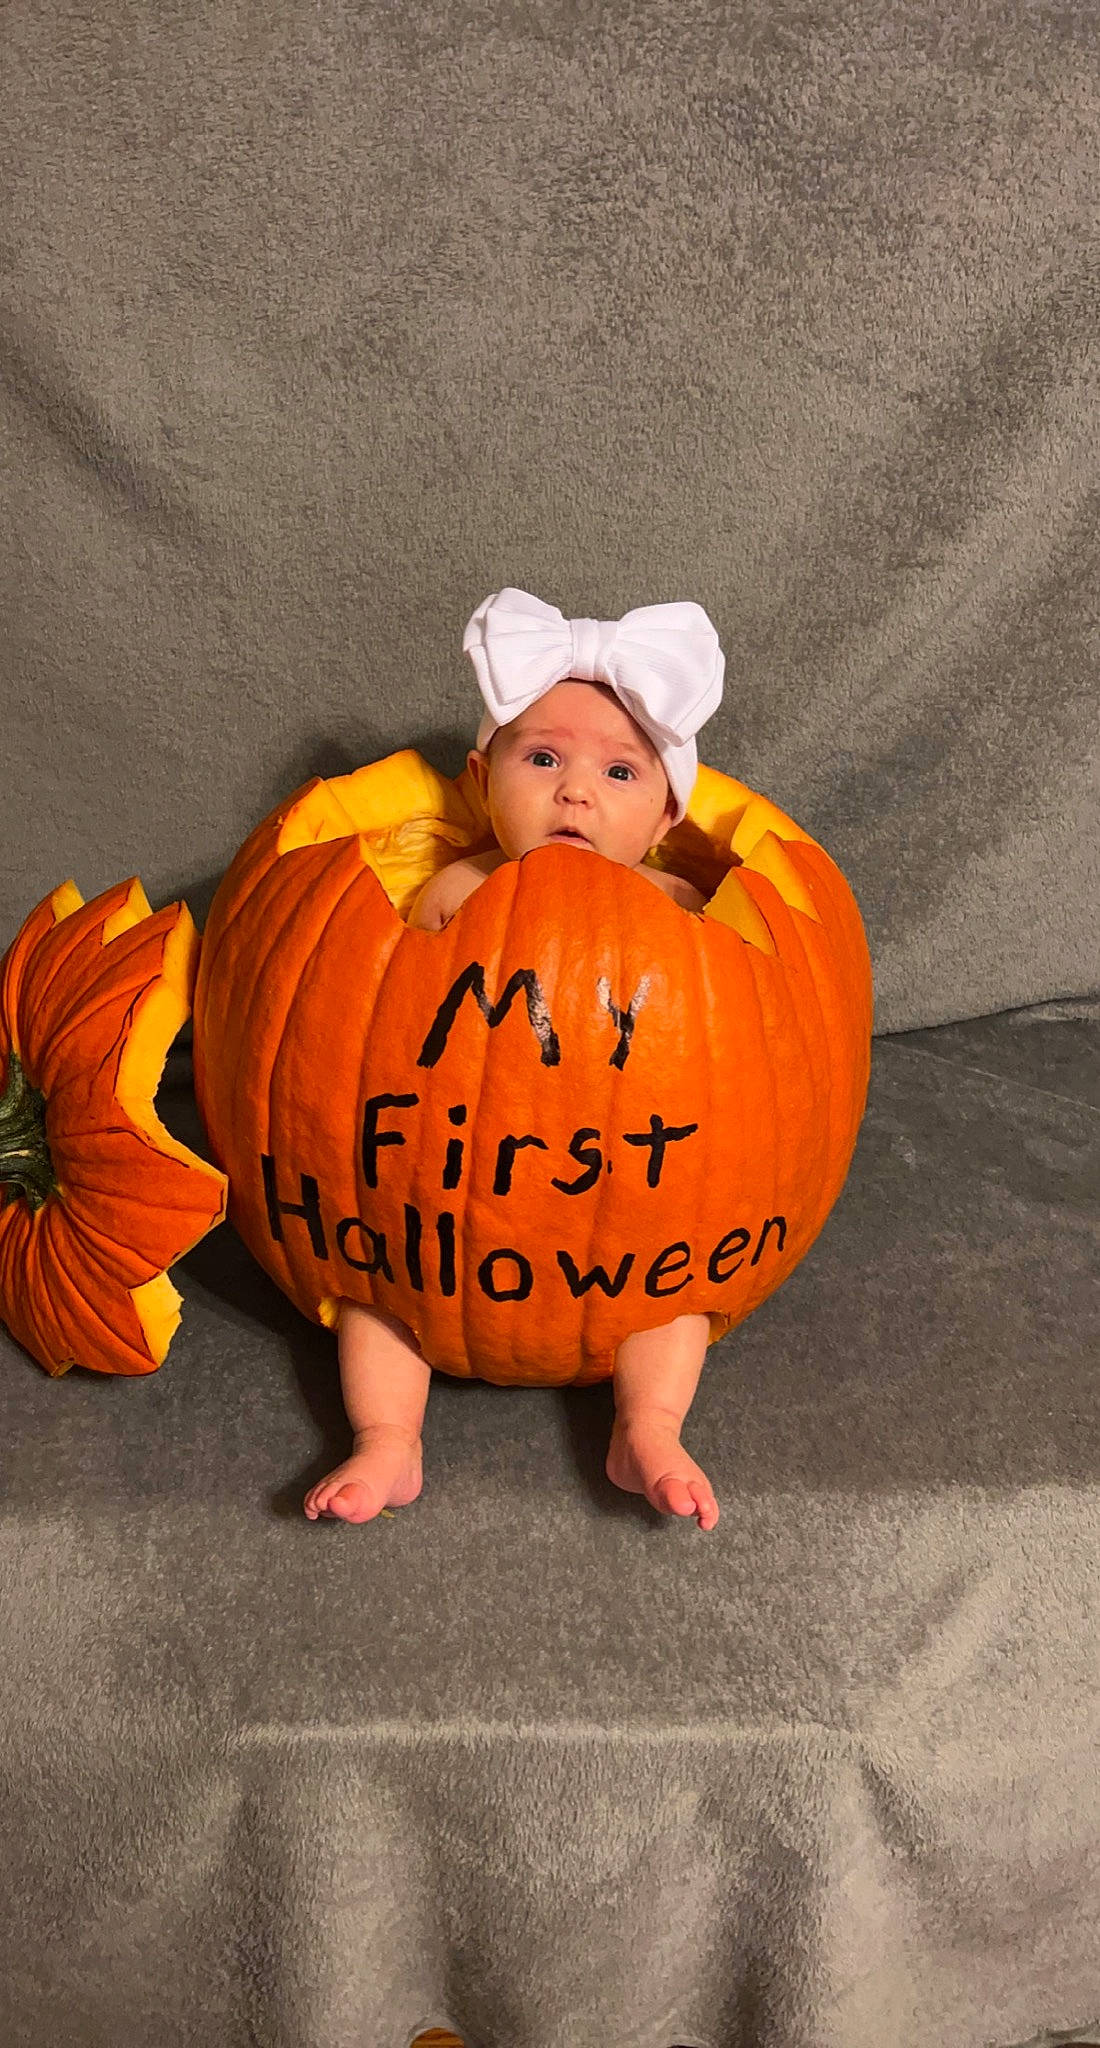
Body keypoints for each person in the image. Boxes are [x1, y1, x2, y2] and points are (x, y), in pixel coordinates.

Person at [304, 586, 726, 1533]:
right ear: (482, 780)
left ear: (666, 819)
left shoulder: (676, 903)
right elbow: (389, 1017)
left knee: (677, 1303)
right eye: (542, 759)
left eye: (621, 774)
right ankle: (386, 1440)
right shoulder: (459, 888)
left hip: (627, 1208)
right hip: (454, 1195)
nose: (575, 790)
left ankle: (647, 1426)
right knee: (376, 1301)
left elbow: (720, 1031)